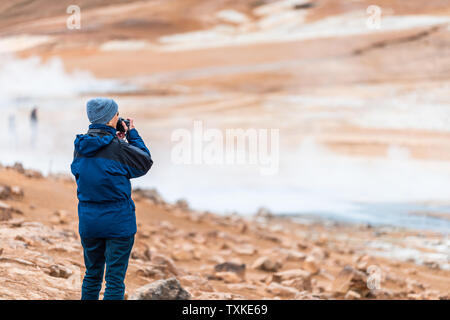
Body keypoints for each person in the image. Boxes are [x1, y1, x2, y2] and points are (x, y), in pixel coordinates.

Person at [70, 97, 153, 300]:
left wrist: (115, 139)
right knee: (114, 281)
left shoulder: (80, 147)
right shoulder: (118, 149)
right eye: (116, 113)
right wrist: (132, 134)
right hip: (118, 224)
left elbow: (85, 172)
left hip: (89, 222)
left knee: (92, 275)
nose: (118, 117)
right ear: (110, 119)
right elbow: (144, 161)